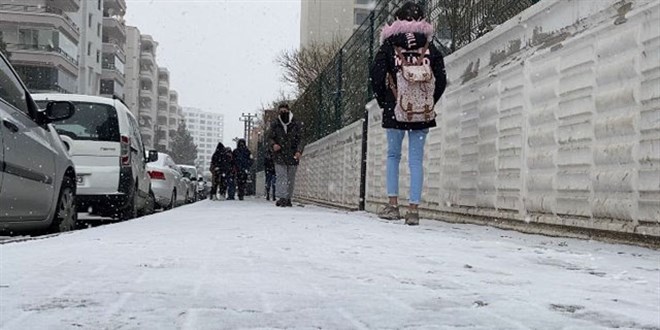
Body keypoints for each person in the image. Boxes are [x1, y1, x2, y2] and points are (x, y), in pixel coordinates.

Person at [370, 1, 447, 225]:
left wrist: (385, 101)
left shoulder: (389, 46)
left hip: (395, 108)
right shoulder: (430, 47)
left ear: (398, 20)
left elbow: (376, 75)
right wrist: (428, 102)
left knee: (393, 156)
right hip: (421, 112)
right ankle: (413, 209)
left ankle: (393, 205)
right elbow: (441, 79)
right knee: (416, 159)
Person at [268, 103, 302, 207]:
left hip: (292, 154)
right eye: (281, 111)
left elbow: (300, 138)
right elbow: (270, 137)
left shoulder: (296, 123)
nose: (283, 113)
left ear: (288, 111)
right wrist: (273, 144)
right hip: (279, 155)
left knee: (290, 178)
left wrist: (298, 151)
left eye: (284, 111)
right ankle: (282, 197)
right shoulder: (275, 124)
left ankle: (288, 198)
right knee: (281, 176)